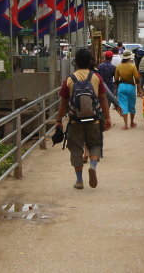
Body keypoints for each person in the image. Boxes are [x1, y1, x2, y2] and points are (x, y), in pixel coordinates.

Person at [55, 48, 111, 189]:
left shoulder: (69, 79)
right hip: (94, 119)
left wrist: (58, 119)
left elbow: (63, 102)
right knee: (95, 145)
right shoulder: (96, 77)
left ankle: (79, 181)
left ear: (76, 62)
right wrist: (107, 117)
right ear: (89, 61)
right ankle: (92, 166)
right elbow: (103, 98)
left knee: (76, 149)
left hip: (75, 120)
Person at [115, 50, 140, 129]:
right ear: (130, 57)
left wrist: (119, 86)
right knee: (132, 105)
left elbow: (116, 79)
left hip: (121, 86)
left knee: (123, 105)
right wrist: (139, 88)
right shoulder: (132, 66)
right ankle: (132, 123)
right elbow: (137, 78)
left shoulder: (118, 66)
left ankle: (126, 125)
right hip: (131, 86)